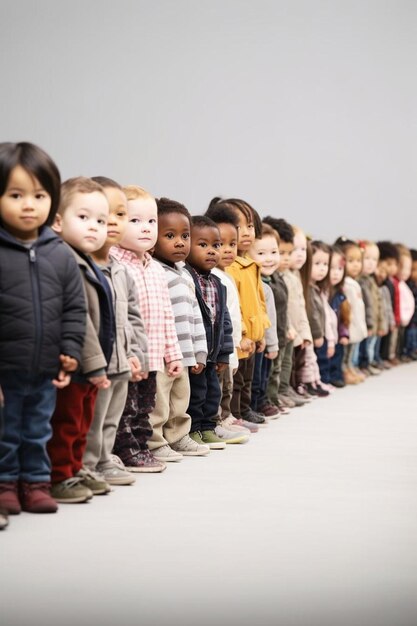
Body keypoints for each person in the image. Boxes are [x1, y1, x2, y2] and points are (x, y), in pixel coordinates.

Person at [0, 142, 86, 514]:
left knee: (38, 430)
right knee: (5, 433)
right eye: (16, 195)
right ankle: (5, 484)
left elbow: (74, 307)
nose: (29, 205)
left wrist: (70, 350)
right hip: (5, 370)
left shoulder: (59, 253)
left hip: (45, 368)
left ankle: (35, 484)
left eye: (39, 195)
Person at [48, 177, 114, 502]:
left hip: (91, 363)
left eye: (101, 221)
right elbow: (80, 321)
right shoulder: (65, 261)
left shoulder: (86, 260)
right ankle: (60, 475)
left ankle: (75, 469)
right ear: (58, 221)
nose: (94, 228)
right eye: (84, 218)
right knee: (67, 421)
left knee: (83, 421)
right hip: (75, 360)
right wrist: (94, 362)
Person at [111, 185, 183, 472]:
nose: (146, 228)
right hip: (128, 358)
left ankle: (141, 447)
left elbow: (167, 315)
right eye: (135, 221)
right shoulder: (116, 264)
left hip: (152, 358)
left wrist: (173, 354)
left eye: (151, 221)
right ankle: (125, 450)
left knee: (145, 407)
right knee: (124, 409)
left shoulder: (154, 268)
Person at [83, 177, 149, 486]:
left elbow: (134, 318)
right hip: (95, 363)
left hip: (121, 360)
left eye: (120, 214)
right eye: (104, 213)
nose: (112, 221)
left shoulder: (120, 270)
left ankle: (104, 457)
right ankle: (88, 463)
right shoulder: (80, 266)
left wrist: (136, 354)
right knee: (91, 419)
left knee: (111, 416)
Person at [148, 197, 211, 460]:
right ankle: (155, 440)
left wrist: (199, 351)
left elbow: (197, 316)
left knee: (179, 399)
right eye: (170, 235)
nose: (179, 242)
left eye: (185, 236)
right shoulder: (155, 272)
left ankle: (177, 435)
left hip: (184, 352)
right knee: (159, 401)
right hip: (162, 353)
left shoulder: (185, 275)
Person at [211, 198, 270, 425]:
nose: (245, 232)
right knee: (232, 379)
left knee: (246, 377)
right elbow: (236, 309)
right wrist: (243, 333)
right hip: (238, 337)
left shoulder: (250, 265)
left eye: (250, 226)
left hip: (251, 335)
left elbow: (258, 302)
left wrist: (261, 330)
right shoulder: (228, 268)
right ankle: (232, 414)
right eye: (240, 226)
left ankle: (242, 410)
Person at [205, 202, 255, 437]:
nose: (226, 250)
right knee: (218, 386)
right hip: (221, 345)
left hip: (231, 343)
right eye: (218, 244)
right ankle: (219, 420)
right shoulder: (213, 277)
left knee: (228, 384)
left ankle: (226, 417)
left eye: (231, 244)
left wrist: (240, 336)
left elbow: (236, 312)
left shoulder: (225, 276)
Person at [185, 215, 234, 449]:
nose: (212, 251)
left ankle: (207, 427)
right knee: (195, 395)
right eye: (203, 245)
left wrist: (224, 352)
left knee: (212, 394)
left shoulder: (218, 283)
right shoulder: (187, 278)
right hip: (195, 353)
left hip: (213, 354)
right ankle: (193, 430)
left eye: (216, 245)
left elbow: (224, 320)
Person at [247, 223, 280, 418]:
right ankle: (255, 403)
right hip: (259, 339)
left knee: (265, 374)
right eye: (261, 254)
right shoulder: (257, 285)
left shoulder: (270, 283)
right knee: (255, 376)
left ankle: (262, 401)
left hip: (269, 341)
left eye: (274, 252)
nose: (269, 259)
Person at [334, 237, 367, 384]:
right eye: (351, 261)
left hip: (356, 322)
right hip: (349, 322)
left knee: (352, 349)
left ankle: (350, 367)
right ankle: (344, 369)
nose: (356, 265)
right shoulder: (346, 284)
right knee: (345, 350)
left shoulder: (354, 282)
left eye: (358, 261)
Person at [357, 241, 383, 375]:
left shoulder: (371, 281)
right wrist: (368, 322)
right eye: (367, 258)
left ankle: (366, 363)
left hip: (372, 321)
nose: (371, 263)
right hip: (363, 322)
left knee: (369, 346)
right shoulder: (359, 281)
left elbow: (376, 303)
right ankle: (361, 365)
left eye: (374, 259)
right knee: (361, 347)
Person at [328, 246, 350, 387]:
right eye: (332, 268)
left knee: (339, 353)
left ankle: (336, 375)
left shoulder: (340, 293)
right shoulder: (323, 292)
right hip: (326, 334)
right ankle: (326, 376)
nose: (336, 273)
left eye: (340, 269)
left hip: (337, 333)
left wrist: (344, 334)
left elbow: (343, 318)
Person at [405, 249, 417, 359]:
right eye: (413, 270)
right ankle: (409, 350)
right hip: (410, 318)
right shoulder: (408, 285)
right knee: (410, 334)